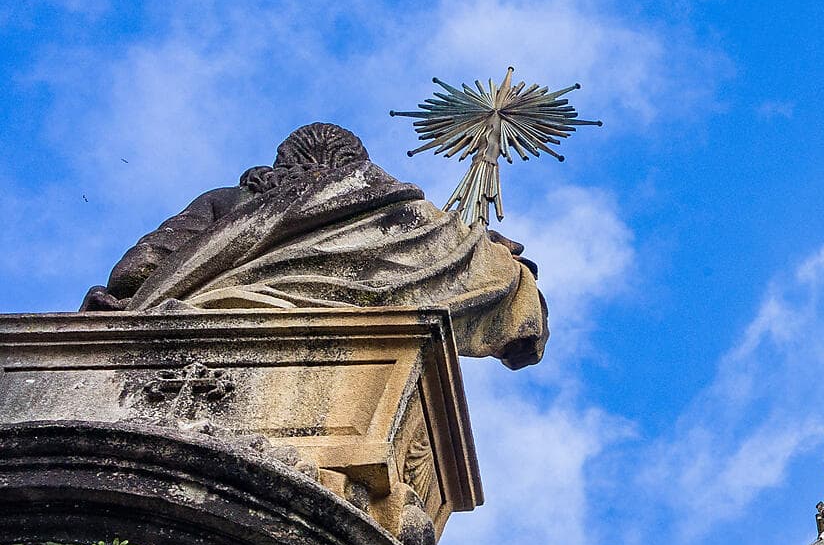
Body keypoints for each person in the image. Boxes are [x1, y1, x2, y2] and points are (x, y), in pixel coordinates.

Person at [82, 122, 548, 368]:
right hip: (341, 375)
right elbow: (520, 317)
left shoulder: (230, 202)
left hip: (192, 339)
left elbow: (137, 270)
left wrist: (125, 298)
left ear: (281, 162)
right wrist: (475, 243)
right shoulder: (411, 222)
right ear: (358, 168)